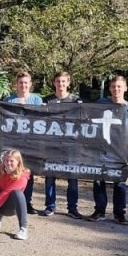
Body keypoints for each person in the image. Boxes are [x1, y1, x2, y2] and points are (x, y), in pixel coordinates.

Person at [89, 76, 128, 225]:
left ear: (125, 88)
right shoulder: (102, 103)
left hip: (120, 150)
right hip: (101, 149)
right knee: (98, 180)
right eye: (113, 86)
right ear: (109, 88)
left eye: (119, 86)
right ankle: (99, 211)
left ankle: (119, 213)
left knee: (120, 182)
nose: (116, 89)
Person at [41, 71, 82, 219]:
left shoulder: (76, 101)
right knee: (50, 176)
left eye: (64, 81)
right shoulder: (46, 100)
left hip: (71, 146)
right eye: (58, 81)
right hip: (51, 145)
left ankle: (72, 208)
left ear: (68, 83)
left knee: (72, 177)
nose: (61, 84)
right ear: (54, 83)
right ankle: (50, 206)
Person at [3, 71, 42, 215]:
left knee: (28, 172)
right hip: (14, 141)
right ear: (16, 84)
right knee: (12, 170)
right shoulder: (9, 100)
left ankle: (27, 201)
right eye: (21, 83)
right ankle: (10, 199)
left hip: (31, 141)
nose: (23, 85)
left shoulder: (37, 100)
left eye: (26, 83)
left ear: (30, 84)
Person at [0, 150, 30, 240]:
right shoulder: (0, 169)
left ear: (18, 162)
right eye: (6, 160)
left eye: (11, 161)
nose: (8, 163)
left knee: (17, 193)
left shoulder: (23, 176)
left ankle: (23, 228)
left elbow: (6, 194)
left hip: (10, 207)